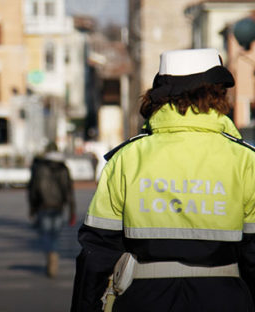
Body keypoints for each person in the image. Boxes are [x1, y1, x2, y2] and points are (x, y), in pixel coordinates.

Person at [71, 48, 255, 312]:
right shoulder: (246, 161)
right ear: (216, 95)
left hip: (143, 300)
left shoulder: (127, 158)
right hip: (225, 300)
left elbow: (97, 251)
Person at [28, 143, 76, 278]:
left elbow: (34, 189)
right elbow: (69, 191)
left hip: (44, 206)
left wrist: (32, 207)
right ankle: (54, 255)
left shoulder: (40, 168)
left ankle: (51, 254)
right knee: (55, 235)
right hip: (59, 206)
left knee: (46, 235)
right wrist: (72, 210)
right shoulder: (63, 168)